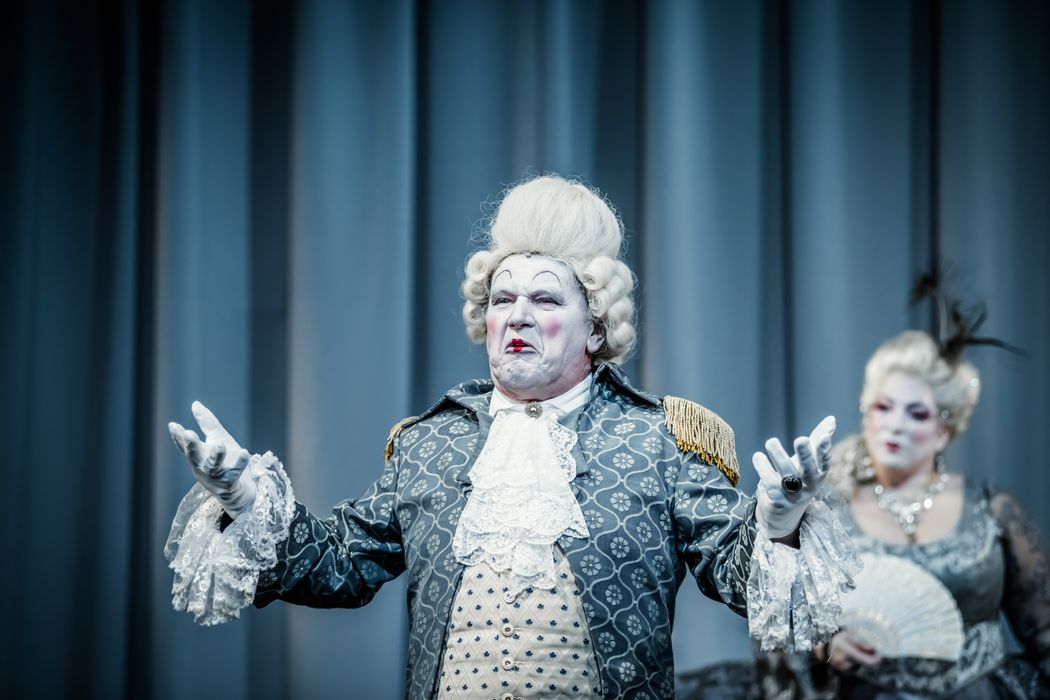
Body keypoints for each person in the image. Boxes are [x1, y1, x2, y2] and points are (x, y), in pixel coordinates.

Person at [164, 175, 857, 699]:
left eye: (546, 298)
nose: (517, 314)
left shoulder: (660, 438)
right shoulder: (429, 442)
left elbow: (738, 578)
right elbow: (339, 567)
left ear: (595, 327)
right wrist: (245, 498)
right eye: (502, 298)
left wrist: (779, 522)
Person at [680, 329, 1049, 699]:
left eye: (917, 413)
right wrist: (826, 647)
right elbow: (778, 619)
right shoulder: (829, 508)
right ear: (867, 413)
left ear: (943, 431)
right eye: (883, 407)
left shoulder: (991, 507)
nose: (895, 424)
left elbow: (1044, 631)